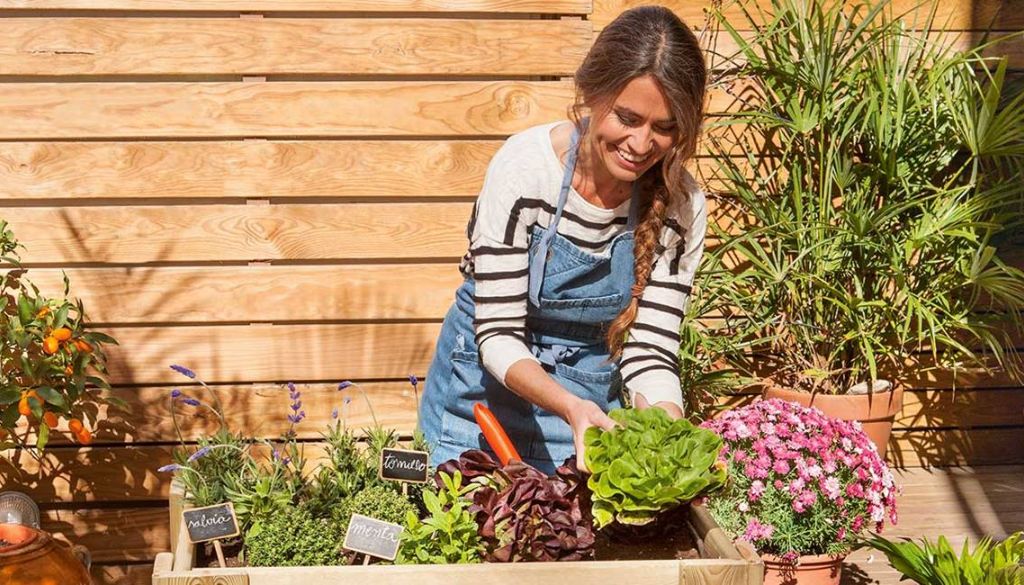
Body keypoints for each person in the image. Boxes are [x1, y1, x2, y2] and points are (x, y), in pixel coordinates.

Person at [419, 5, 709, 474]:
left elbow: (651, 350)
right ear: (591, 94)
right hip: (477, 403)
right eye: (627, 117)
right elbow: (496, 335)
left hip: (586, 412)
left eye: (665, 128)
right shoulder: (525, 171)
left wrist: (666, 432)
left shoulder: (681, 206)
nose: (640, 143)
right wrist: (569, 406)